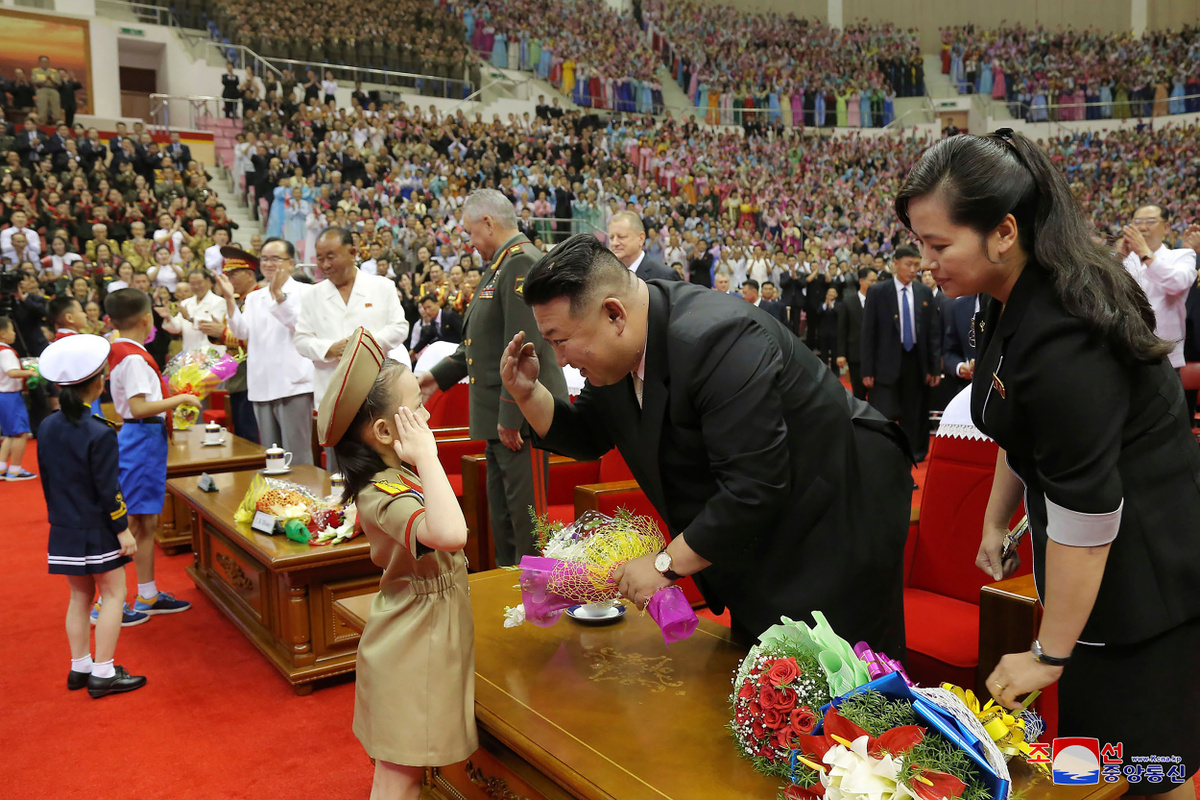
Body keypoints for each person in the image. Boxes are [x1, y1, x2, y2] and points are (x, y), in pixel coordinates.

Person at [896, 128, 1200, 799]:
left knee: (1152, 765)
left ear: (1003, 232)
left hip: (1140, 585)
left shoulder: (1068, 331)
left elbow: (1089, 517)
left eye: (938, 245)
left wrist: (1048, 653)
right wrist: (994, 520)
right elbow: (1015, 427)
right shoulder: (1006, 302)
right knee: (1096, 759)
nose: (925, 262)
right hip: (1089, 579)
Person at [498, 234, 911, 651]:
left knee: (840, 678)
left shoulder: (720, 339)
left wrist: (663, 564)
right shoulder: (623, 351)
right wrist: (528, 394)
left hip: (837, 511)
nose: (561, 359)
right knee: (766, 666)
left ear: (613, 314)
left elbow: (754, 486)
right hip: (763, 526)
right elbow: (589, 432)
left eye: (561, 340)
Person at [318, 328, 476, 800]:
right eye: (417, 407)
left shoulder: (399, 471)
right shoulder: (383, 490)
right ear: (384, 432)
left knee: (408, 773)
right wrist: (428, 453)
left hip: (427, 633)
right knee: (399, 778)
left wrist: (422, 458)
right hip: (412, 645)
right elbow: (450, 533)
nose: (427, 414)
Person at [420, 190, 567, 567]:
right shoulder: (501, 265)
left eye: (471, 233)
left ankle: (536, 599)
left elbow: (522, 347)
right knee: (503, 517)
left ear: (488, 222)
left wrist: (510, 415)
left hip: (518, 418)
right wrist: (434, 379)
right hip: (498, 419)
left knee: (527, 520)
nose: (470, 243)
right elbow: (479, 345)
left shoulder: (521, 263)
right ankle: (508, 592)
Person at [37, 334, 148, 697]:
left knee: (79, 597)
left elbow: (49, 481)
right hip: (96, 527)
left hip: (64, 526)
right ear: (99, 381)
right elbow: (108, 488)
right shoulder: (99, 431)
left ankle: (79, 667)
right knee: (115, 594)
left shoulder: (48, 425)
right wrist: (122, 529)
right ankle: (103, 672)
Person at [102, 289, 198, 623]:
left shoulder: (124, 350)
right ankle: (106, 601)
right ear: (147, 319)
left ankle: (147, 593)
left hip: (143, 436)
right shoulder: (131, 357)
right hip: (140, 437)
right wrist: (180, 399)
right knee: (128, 522)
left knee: (145, 521)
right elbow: (140, 406)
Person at [295, 227, 408, 470]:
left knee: (381, 458)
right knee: (342, 465)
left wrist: (364, 348)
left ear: (353, 252)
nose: (325, 264)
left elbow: (400, 327)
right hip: (333, 390)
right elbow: (301, 340)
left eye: (331, 256)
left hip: (376, 386)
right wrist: (329, 348)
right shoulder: (312, 295)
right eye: (320, 258)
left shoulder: (381, 287)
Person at [221, 238, 314, 464]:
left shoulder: (307, 292)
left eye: (275, 259)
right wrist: (229, 301)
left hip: (293, 384)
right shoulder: (254, 297)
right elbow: (242, 333)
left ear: (290, 263)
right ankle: (277, 497)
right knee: (271, 453)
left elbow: (300, 325)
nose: (269, 263)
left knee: (296, 453)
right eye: (264, 259)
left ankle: (305, 497)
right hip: (262, 382)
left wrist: (279, 296)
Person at [861, 244, 942, 461]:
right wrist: (867, 369)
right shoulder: (878, 292)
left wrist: (934, 367)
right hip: (886, 362)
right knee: (885, 412)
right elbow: (868, 332)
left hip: (916, 360)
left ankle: (914, 453)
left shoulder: (924, 292)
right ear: (895, 263)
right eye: (909, 264)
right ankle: (885, 454)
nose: (914, 269)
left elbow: (932, 332)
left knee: (915, 412)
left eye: (917, 265)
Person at [1120, 204, 1198, 371]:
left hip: (1165, 355)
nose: (1142, 227)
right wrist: (1116, 258)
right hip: (1124, 351)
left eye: (1150, 221)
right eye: (1138, 221)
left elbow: (1177, 283)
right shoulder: (1122, 258)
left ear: (1166, 227)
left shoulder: (1181, 255)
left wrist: (1145, 253)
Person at [200, 250, 261, 443]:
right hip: (239, 375)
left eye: (233, 275)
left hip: (253, 376)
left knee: (251, 437)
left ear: (250, 274)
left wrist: (223, 333)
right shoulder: (239, 300)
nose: (228, 280)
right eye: (226, 276)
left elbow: (257, 338)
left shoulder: (258, 299)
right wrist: (217, 333)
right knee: (242, 434)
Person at [48, 296, 103, 418]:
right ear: (69, 318)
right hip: (85, 395)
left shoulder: (56, 342)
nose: (85, 315)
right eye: (81, 311)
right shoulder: (78, 343)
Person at [0, 316, 37, 481]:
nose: (14, 333)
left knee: (9, 434)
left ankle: (2, 468)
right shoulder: (6, 351)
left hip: (3, 395)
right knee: (20, 433)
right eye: (12, 329)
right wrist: (31, 372)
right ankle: (15, 470)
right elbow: (12, 372)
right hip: (10, 395)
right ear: (2, 333)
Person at [836, 266, 876, 400]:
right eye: (872, 281)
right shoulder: (848, 302)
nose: (874, 284)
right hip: (855, 354)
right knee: (858, 391)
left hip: (877, 355)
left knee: (877, 394)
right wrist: (841, 354)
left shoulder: (880, 301)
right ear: (861, 281)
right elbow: (842, 329)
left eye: (876, 281)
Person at [162, 269, 226, 352]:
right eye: (192, 284)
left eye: (199, 283)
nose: (196, 287)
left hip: (211, 352)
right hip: (190, 351)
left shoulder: (219, 301)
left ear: (208, 281)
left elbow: (213, 327)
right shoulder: (186, 302)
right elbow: (176, 328)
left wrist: (189, 318)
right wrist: (168, 317)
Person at [606, 211, 681, 282]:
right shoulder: (605, 277)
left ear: (641, 238)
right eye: (611, 238)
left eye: (621, 237)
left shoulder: (664, 276)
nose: (615, 243)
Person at [31, 56, 62, 125]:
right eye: (43, 61)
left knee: (56, 108)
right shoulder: (35, 71)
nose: (45, 63)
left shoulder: (54, 71)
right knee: (42, 108)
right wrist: (45, 80)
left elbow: (59, 82)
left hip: (53, 89)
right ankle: (42, 123)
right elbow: (34, 81)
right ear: (40, 62)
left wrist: (51, 80)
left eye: (46, 61)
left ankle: (57, 123)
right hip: (42, 89)